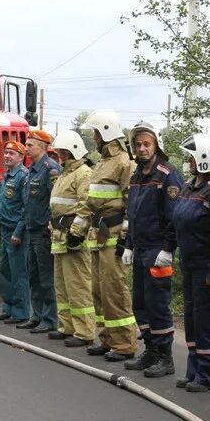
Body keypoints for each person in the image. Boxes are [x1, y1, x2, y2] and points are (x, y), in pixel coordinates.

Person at [69, 110, 139, 362]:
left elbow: (132, 203)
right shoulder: (102, 164)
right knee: (97, 289)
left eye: (96, 133)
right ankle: (107, 338)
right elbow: (90, 201)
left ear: (107, 133)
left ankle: (124, 344)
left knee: (114, 290)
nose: (94, 138)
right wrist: (77, 231)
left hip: (114, 235)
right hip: (98, 235)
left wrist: (126, 239)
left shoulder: (124, 163)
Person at [122, 121, 184, 378]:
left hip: (158, 250)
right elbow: (134, 214)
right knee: (141, 304)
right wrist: (128, 245)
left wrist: (168, 248)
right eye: (138, 144)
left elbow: (175, 216)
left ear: (157, 144)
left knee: (158, 305)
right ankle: (150, 350)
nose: (142, 148)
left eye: (147, 144)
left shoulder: (167, 174)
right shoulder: (137, 175)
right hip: (140, 250)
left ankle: (165, 357)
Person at [168, 133, 210, 392]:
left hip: (206, 266)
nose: (188, 160)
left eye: (192, 156)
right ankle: (194, 370)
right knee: (192, 318)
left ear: (204, 158)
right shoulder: (190, 187)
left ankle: (207, 374)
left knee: (206, 320)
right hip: (189, 263)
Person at [46, 130, 96, 347]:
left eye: (64, 152)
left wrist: (77, 234)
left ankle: (84, 332)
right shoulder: (66, 174)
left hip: (73, 237)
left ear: (74, 151)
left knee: (78, 285)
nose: (60, 156)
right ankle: (67, 326)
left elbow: (86, 206)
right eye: (59, 152)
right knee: (62, 285)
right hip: (59, 236)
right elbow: (58, 205)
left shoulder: (83, 174)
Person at [19, 130, 61, 334]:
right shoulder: (32, 169)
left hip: (43, 231)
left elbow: (56, 201)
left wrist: (50, 227)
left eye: (30, 145)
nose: (26, 148)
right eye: (26, 145)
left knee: (46, 277)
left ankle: (49, 319)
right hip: (31, 228)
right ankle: (36, 316)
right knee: (33, 276)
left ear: (43, 147)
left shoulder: (50, 169)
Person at [0, 141, 31, 327]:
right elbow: (2, 205)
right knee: (4, 270)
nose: (7, 156)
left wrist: (18, 232)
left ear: (21, 157)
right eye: (6, 152)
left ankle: (21, 312)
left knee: (18, 272)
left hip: (16, 232)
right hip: (4, 228)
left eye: (12, 154)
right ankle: (8, 308)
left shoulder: (23, 176)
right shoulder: (7, 175)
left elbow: (25, 208)